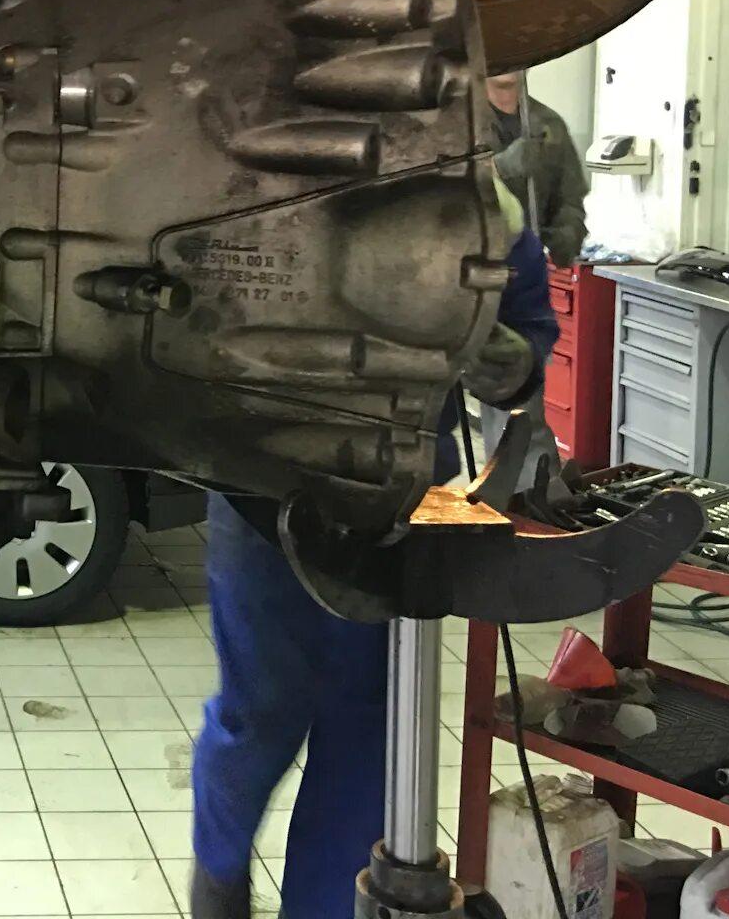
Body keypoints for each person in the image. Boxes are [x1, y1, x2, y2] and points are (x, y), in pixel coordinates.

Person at [188, 215, 560, 919]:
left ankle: (324, 909)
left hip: (398, 487)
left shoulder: (484, 204)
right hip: (259, 476)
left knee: (367, 725)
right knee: (260, 709)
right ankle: (218, 881)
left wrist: (507, 358)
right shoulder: (262, 185)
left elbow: (526, 336)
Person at [486, 70, 589, 267]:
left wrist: (567, 235)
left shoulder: (550, 125)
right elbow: (442, 187)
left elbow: (570, 197)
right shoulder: (458, 122)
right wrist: (498, 167)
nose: (509, 64)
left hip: (532, 268)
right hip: (475, 269)